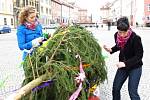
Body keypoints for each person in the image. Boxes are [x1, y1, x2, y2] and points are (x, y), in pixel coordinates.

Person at [103, 17, 143, 100]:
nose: (121, 35)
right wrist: (111, 49)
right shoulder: (116, 36)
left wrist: (125, 63)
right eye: (120, 32)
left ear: (128, 29)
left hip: (135, 67)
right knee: (116, 89)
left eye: (124, 32)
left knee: (132, 92)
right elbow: (119, 46)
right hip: (123, 67)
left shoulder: (135, 38)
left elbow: (139, 56)